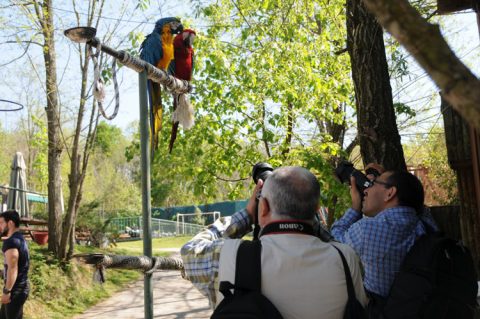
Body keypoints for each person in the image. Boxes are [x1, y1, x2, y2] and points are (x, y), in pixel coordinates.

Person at [181, 166, 367, 318]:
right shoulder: (346, 259)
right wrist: (314, 224)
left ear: (264, 207)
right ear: (317, 210)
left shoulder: (230, 257)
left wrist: (246, 216)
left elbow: (190, 251)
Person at [331, 169, 437, 316]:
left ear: (390, 193)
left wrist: (355, 207)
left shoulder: (367, 230)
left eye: (372, 184)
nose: (365, 189)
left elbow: (335, 239)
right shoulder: (426, 224)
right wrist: (386, 180)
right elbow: (415, 201)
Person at [0, 210, 29, 319]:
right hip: (19, 288)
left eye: (1, 223)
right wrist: (3, 272)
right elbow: (16, 266)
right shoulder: (20, 239)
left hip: (15, 290)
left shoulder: (11, 241)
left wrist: (7, 291)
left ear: (10, 223)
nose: (0, 226)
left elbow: (13, 268)